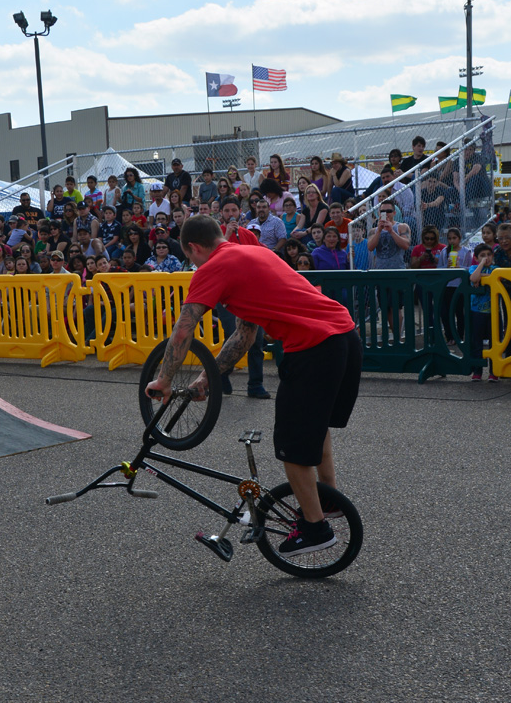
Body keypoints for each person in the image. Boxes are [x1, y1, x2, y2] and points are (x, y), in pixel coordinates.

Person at [145, 215, 361, 557]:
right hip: (345, 337)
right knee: (315, 431)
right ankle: (327, 500)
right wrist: (208, 379)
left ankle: (315, 528)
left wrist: (164, 380)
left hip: (314, 347)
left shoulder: (213, 266)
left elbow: (184, 329)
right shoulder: (249, 254)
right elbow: (245, 334)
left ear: (194, 248)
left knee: (291, 447)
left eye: (190, 258)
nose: (193, 265)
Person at [468, 245, 498, 381]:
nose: (486, 258)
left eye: (489, 254)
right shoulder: (474, 268)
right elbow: (473, 278)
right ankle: (478, 370)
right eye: (482, 255)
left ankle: (494, 371)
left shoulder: (495, 269)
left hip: (494, 312)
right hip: (477, 311)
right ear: (476, 258)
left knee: (495, 342)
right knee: (477, 341)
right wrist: (480, 266)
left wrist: (483, 277)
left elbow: (497, 277)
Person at [368, 203, 411, 268]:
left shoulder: (402, 227)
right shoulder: (373, 231)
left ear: (394, 213)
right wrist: (379, 230)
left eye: (389, 211)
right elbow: (370, 247)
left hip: (398, 269)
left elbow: (406, 245)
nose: (386, 214)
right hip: (380, 270)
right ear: (379, 213)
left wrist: (391, 231)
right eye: (383, 211)